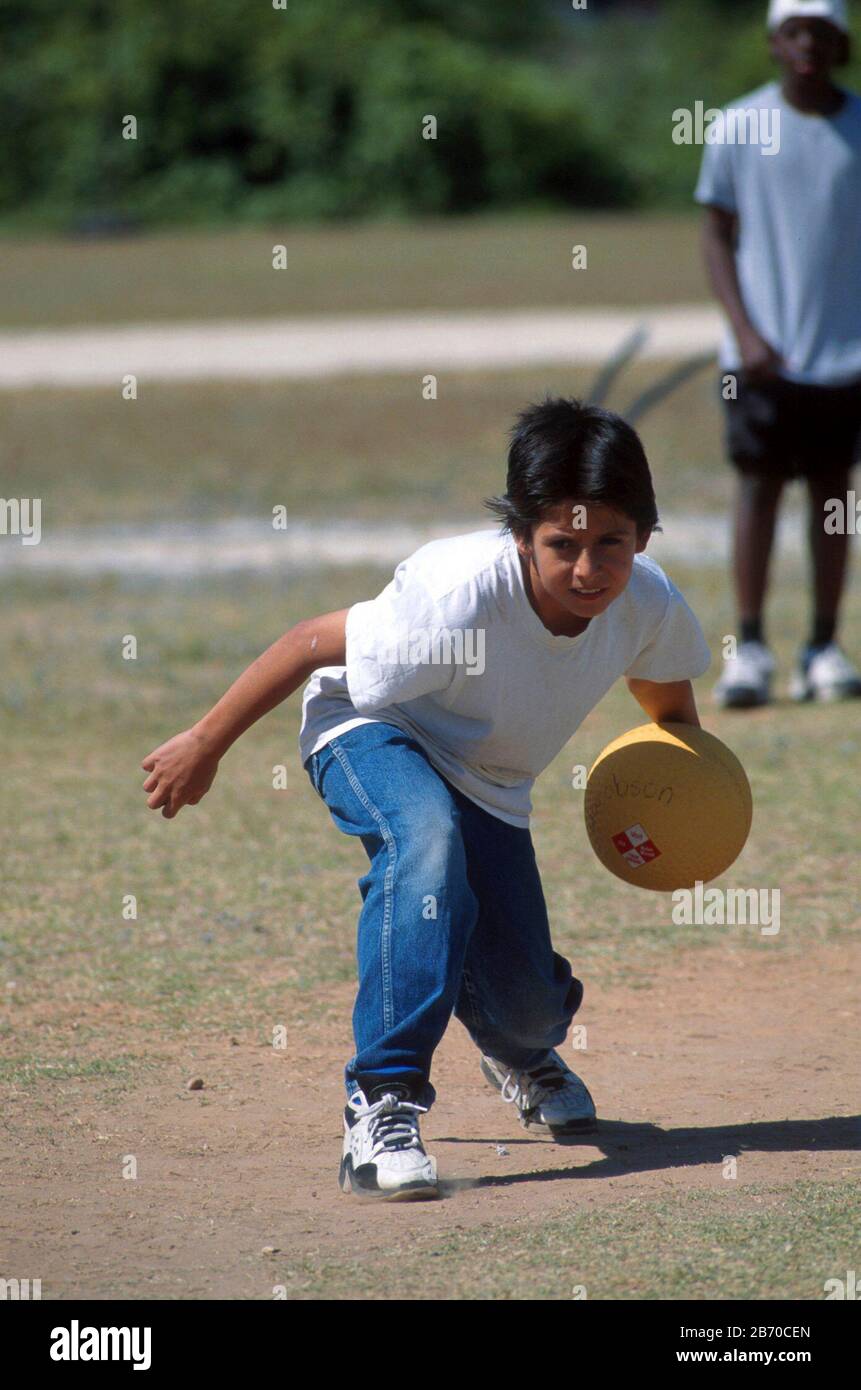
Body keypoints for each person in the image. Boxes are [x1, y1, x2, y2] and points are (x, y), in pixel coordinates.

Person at [141, 397, 711, 1200]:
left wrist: (695, 812)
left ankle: (517, 1053)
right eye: (562, 544)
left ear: (644, 534)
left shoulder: (644, 602)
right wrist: (205, 742)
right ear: (520, 534)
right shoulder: (456, 597)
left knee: (528, 1010)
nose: (587, 568)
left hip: (491, 782)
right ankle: (382, 1104)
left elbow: (669, 707)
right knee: (426, 843)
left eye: (609, 543)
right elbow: (310, 640)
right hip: (371, 728)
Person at [696, 0, 861, 708]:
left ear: (841, 44)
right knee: (757, 489)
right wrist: (746, 332)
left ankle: (822, 645)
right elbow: (715, 233)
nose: (807, 45)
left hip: (845, 356)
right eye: (794, 32)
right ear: (772, 43)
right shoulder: (736, 126)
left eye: (821, 34)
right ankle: (751, 645)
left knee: (833, 498)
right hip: (759, 360)